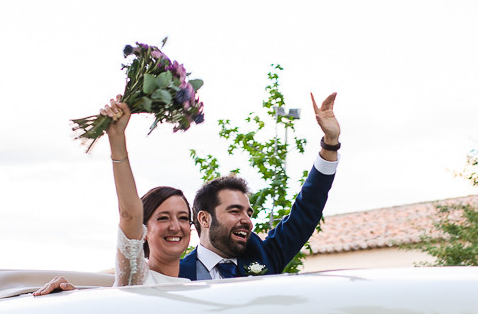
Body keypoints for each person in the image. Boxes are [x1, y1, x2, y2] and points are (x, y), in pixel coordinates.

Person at [35, 97, 192, 294]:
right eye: (163, 218)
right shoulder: (137, 277)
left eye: (183, 218)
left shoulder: (195, 286)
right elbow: (130, 214)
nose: (175, 226)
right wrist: (116, 138)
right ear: (143, 231)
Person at [178, 91, 340, 280]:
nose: (247, 220)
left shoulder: (265, 255)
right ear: (204, 219)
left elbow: (307, 209)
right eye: (235, 211)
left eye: (249, 213)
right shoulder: (178, 275)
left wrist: (330, 144)